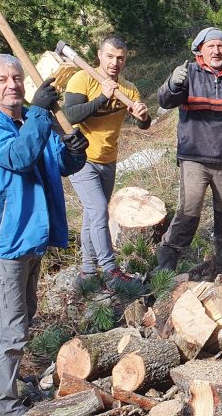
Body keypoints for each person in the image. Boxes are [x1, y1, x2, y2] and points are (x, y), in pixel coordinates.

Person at [0, 54, 87, 415]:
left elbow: (53, 162)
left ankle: (12, 388)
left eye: (16, 78)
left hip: (30, 238)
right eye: (2, 79)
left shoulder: (32, 120)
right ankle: (4, 407)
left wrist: (73, 153)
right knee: (7, 332)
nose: (12, 84)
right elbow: (19, 157)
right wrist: (38, 114)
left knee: (21, 321)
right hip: (3, 243)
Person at [155, 27, 222, 272]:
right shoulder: (188, 74)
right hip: (194, 158)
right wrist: (172, 83)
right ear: (200, 49)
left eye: (220, 46)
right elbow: (164, 101)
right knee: (189, 209)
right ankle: (167, 261)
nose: (216, 50)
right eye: (211, 46)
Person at [63, 36, 151, 284]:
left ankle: (87, 272)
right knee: (99, 210)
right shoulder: (82, 79)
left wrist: (143, 116)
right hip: (82, 159)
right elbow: (70, 115)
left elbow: (144, 124)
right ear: (99, 55)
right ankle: (111, 270)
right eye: (110, 56)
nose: (115, 62)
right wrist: (102, 97)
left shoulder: (129, 89)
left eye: (120, 58)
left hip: (108, 159)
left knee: (93, 216)